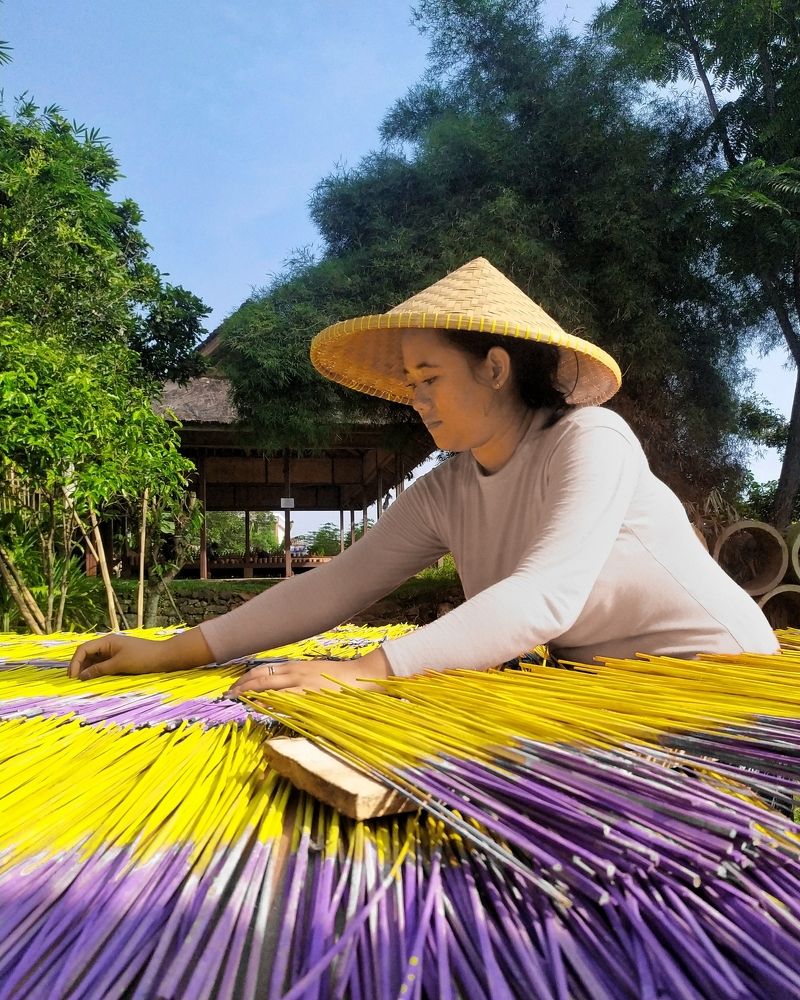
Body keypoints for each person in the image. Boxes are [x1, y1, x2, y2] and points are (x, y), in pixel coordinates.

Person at [68, 257, 779, 693]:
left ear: (495, 369)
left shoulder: (590, 441)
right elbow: (335, 585)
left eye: (430, 376)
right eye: (410, 381)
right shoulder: (447, 490)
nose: (416, 398)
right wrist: (171, 651)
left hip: (718, 677)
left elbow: (545, 597)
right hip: (606, 689)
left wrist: (363, 672)